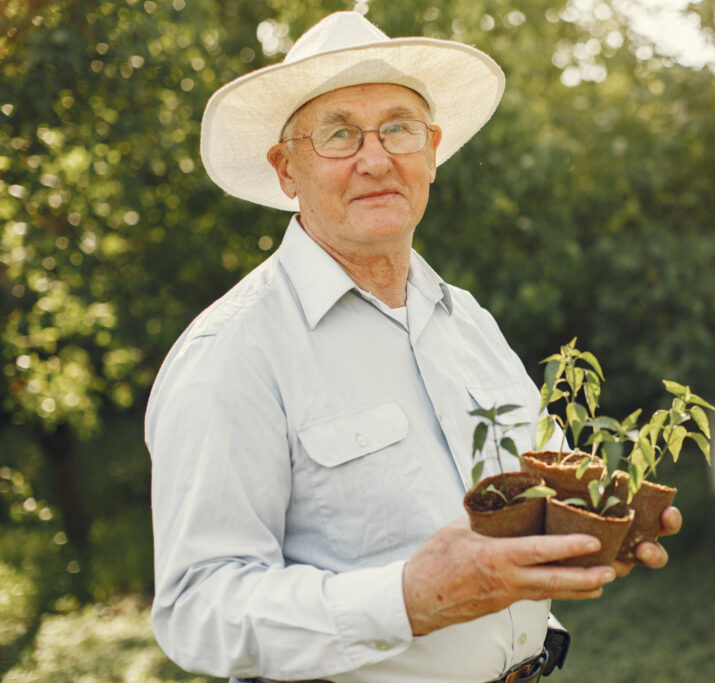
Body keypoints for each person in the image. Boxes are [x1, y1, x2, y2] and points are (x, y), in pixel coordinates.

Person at [145, 12, 682, 683]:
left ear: (430, 149)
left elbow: (517, 511)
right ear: (287, 169)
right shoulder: (233, 350)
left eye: (397, 127)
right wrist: (407, 599)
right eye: (339, 134)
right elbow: (198, 609)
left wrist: (591, 527)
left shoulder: (470, 323)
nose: (376, 159)